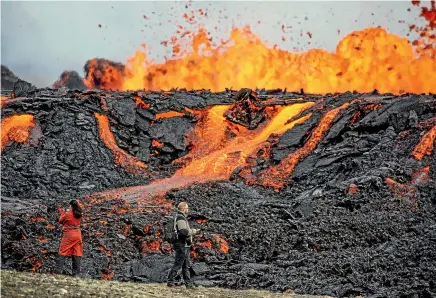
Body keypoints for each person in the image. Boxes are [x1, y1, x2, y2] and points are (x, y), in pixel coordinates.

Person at [167, 202, 200, 288]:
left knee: (185, 265)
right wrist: (193, 231)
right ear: (183, 209)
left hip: (184, 245)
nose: (188, 210)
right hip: (181, 244)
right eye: (187, 208)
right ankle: (170, 282)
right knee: (178, 264)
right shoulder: (180, 218)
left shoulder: (179, 217)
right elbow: (183, 232)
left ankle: (188, 284)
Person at [55, 200, 83, 277]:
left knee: (62, 251)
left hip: (69, 235)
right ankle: (76, 274)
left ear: (71, 206)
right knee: (77, 252)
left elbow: (60, 221)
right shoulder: (79, 213)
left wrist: (63, 212)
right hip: (78, 235)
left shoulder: (67, 214)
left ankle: (58, 271)